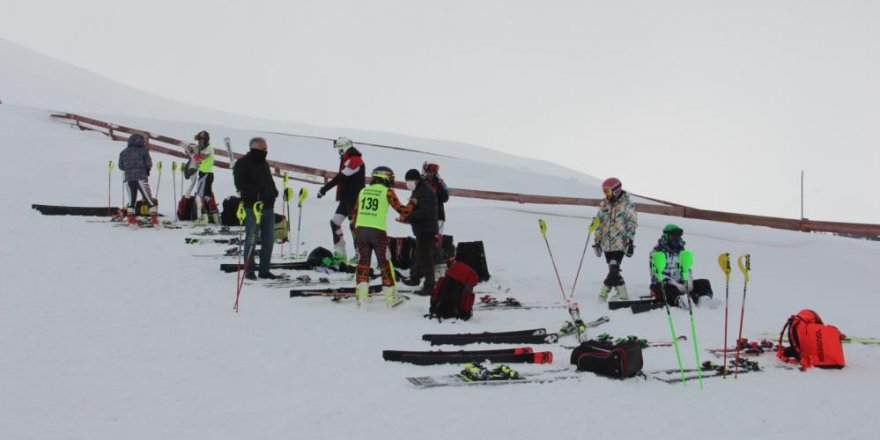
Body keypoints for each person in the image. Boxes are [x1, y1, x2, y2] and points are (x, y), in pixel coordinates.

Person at [351, 166, 411, 306]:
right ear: (386, 178)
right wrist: (413, 203)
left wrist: (356, 232)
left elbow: (354, 214)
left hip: (361, 230)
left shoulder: (363, 191)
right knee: (384, 263)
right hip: (378, 231)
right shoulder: (387, 192)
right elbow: (402, 210)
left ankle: (361, 299)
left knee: (363, 263)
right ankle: (391, 299)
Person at [233, 137, 281, 280]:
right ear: (254, 149)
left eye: (266, 149)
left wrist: (274, 191)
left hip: (268, 207)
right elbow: (240, 184)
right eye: (263, 149)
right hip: (252, 207)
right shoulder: (242, 163)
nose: (265, 152)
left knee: (269, 239)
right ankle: (249, 270)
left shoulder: (263, 163)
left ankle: (264, 270)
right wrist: (257, 193)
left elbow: (269, 181)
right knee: (251, 239)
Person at [317, 137, 365, 261]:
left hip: (354, 198)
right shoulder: (349, 159)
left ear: (344, 148)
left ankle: (360, 255)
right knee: (335, 223)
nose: (339, 152)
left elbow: (341, 177)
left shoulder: (355, 160)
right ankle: (340, 253)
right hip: (346, 198)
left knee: (354, 226)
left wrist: (324, 189)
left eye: (339, 149)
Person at [593, 177, 638, 301]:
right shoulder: (604, 203)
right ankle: (622, 294)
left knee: (614, 267)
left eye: (607, 191)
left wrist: (630, 241)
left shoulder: (626, 203)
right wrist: (597, 240)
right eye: (604, 192)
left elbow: (632, 223)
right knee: (614, 270)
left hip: (620, 242)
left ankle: (603, 294)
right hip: (606, 243)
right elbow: (599, 222)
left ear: (616, 191)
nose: (606, 195)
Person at [649, 224, 714, 307]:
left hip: (680, 283)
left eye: (678, 237)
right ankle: (679, 300)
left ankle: (705, 300)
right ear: (666, 236)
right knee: (665, 288)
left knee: (704, 283)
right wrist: (673, 283)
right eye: (673, 237)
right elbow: (656, 274)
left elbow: (686, 268)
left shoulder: (681, 252)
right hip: (664, 283)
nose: (676, 239)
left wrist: (688, 280)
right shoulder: (656, 253)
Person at [400, 169, 440, 295]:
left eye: (409, 181)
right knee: (419, 253)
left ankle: (429, 285)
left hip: (426, 229)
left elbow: (424, 211)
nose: (407, 183)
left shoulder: (424, 191)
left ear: (415, 180)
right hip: (422, 228)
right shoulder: (419, 190)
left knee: (425, 257)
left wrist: (408, 217)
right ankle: (415, 278)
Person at [118, 133, 158, 227]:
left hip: (128, 179)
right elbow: (149, 164)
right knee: (148, 199)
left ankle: (132, 221)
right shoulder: (143, 151)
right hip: (141, 178)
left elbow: (120, 166)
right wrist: (146, 170)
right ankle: (155, 221)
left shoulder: (123, 152)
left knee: (132, 200)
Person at [192, 130, 221, 225]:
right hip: (206, 174)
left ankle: (203, 218)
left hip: (205, 174)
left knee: (200, 196)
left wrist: (192, 154)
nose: (199, 142)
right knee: (208, 195)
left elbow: (200, 157)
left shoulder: (208, 148)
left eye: (200, 140)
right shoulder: (206, 148)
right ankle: (216, 217)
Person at [422, 161, 449, 234]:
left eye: (435, 170)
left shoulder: (440, 182)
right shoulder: (421, 182)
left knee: (437, 240)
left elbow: (445, 198)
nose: (432, 172)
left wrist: (438, 185)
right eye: (430, 169)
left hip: (438, 215)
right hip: (424, 216)